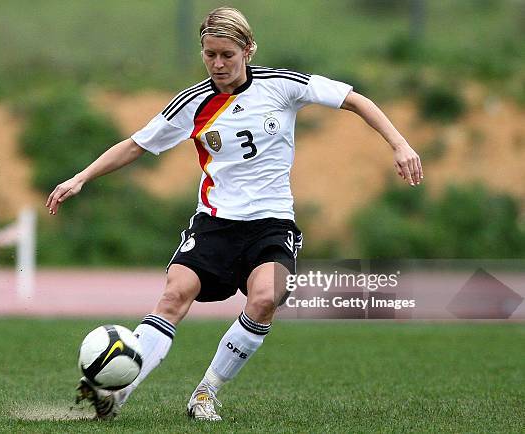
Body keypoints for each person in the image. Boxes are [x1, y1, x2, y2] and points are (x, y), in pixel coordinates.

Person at [46, 6, 423, 422]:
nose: (218, 64)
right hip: (214, 223)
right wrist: (81, 177)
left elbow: (354, 100)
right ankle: (116, 394)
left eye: (227, 54)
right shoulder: (192, 103)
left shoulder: (282, 85)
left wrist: (399, 144)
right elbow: (136, 145)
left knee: (266, 299)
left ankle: (206, 392)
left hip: (272, 225)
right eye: (210, 55)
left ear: (248, 49)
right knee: (173, 295)